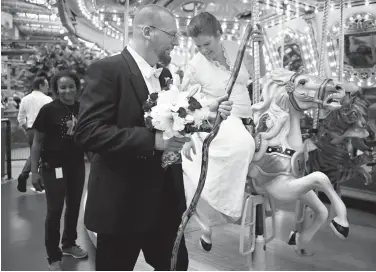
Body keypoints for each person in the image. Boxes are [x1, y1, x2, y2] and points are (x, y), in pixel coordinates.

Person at [74, 5, 232, 271]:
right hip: (123, 203)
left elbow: (175, 121)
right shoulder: (108, 70)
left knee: (175, 266)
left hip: (165, 202)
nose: (176, 41)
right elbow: (88, 131)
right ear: (147, 32)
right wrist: (153, 141)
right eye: (171, 34)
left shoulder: (166, 75)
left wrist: (207, 112)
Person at [180, 11, 266, 250]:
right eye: (198, 46)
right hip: (223, 118)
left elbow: (261, 75)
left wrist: (258, 46)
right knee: (243, 145)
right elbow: (185, 102)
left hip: (249, 116)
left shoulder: (235, 49)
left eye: (207, 44)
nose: (204, 50)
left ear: (219, 35)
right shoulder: (195, 66)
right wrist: (210, 106)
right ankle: (225, 205)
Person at [30, 70, 88, 271]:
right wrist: (34, 172)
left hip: (76, 166)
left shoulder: (83, 109)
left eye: (71, 86)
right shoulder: (48, 110)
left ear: (77, 87)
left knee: (74, 207)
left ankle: (69, 244)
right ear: (56, 89)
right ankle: (53, 255)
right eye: (62, 87)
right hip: (53, 167)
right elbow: (37, 141)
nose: (67, 90)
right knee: (55, 211)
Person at [17, 76, 52, 192]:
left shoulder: (25, 99)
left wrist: (27, 128)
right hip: (45, 130)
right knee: (44, 153)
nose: (48, 88)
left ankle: (25, 175)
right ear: (41, 86)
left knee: (34, 152)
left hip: (31, 129)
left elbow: (20, 118)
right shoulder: (48, 100)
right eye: (46, 85)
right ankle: (40, 180)